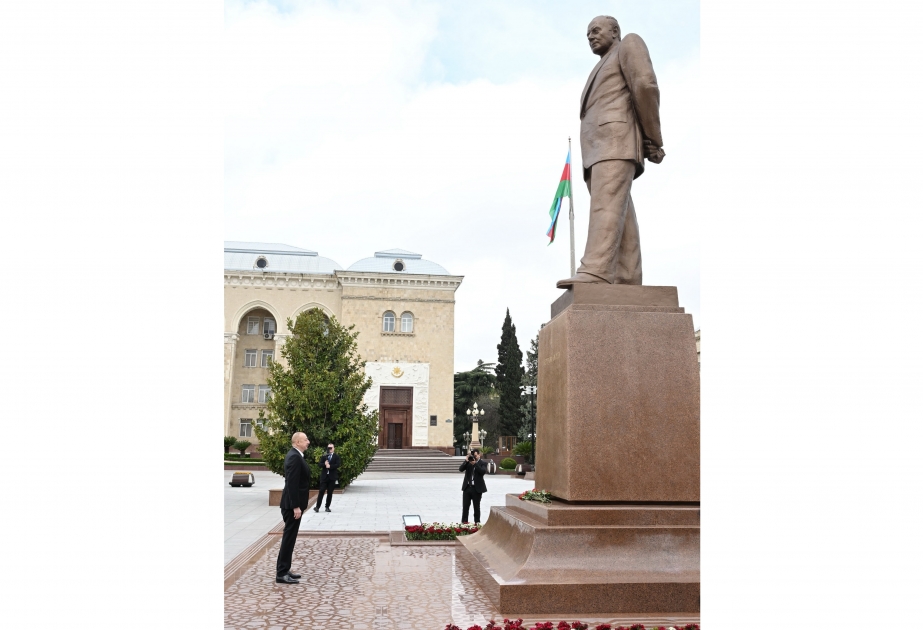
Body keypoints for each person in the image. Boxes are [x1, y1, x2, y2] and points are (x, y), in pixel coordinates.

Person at [557, 15, 665, 289]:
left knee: (606, 206)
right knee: (620, 213)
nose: (591, 37)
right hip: (598, 149)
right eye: (587, 35)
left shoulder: (629, 44)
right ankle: (627, 277)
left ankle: (595, 271)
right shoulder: (602, 64)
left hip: (616, 142)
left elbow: (645, 85)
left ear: (615, 31)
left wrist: (653, 137)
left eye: (596, 31)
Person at [275, 432, 310, 584]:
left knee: (289, 538)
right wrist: (296, 506)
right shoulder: (294, 457)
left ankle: (284, 569)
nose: (308, 442)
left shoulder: (296, 455)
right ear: (297, 442)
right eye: (305, 439)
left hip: (291, 504)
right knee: (288, 538)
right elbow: (292, 483)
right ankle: (281, 573)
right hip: (291, 506)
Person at [458, 448, 488, 524]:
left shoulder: (482, 463)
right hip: (467, 488)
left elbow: (482, 471)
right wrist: (466, 461)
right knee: (465, 507)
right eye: (473, 455)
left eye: (475, 455)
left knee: (476, 507)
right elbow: (461, 469)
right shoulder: (468, 462)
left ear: (479, 455)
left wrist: (475, 464)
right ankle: (464, 523)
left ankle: (477, 523)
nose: (474, 457)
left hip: (476, 489)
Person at [314, 442, 341, 513]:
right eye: (329, 448)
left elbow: (338, 464)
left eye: (331, 448)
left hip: (332, 477)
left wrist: (330, 466)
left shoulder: (336, 456)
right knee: (321, 491)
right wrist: (324, 464)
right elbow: (319, 464)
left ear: (334, 448)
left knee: (330, 492)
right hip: (324, 477)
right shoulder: (324, 456)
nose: (330, 449)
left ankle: (327, 507)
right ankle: (317, 507)